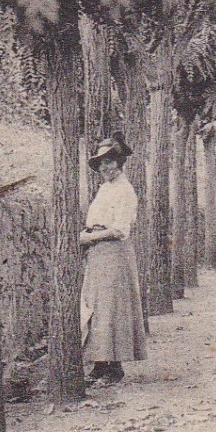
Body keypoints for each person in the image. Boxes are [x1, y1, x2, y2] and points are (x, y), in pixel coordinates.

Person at [80, 137, 148, 385]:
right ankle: (100, 363)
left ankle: (114, 368)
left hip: (113, 251)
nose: (105, 168)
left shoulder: (124, 190)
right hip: (98, 252)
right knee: (97, 307)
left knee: (113, 307)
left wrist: (90, 238)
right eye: (101, 164)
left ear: (119, 162)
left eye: (109, 162)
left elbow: (120, 229)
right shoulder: (105, 188)